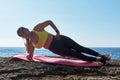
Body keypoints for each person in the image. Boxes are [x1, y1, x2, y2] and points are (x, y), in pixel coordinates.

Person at [17, 20, 110, 65]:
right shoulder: (29, 43)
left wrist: (57, 31)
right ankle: (99, 60)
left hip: (59, 39)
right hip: (56, 49)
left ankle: (102, 56)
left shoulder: (37, 28)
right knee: (78, 55)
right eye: (22, 35)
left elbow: (49, 22)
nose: (24, 35)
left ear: (27, 29)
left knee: (80, 48)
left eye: (23, 32)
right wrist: (28, 54)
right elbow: (30, 54)